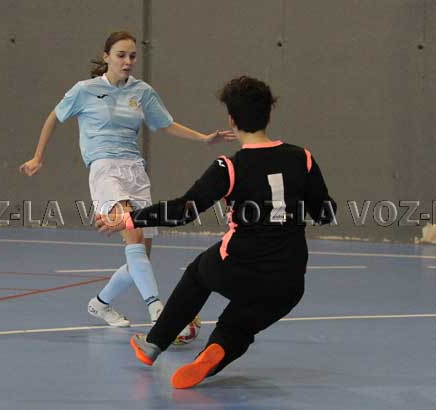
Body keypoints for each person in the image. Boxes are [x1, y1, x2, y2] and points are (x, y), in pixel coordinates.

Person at [97, 75, 336, 388]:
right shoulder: (302, 158)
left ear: (232, 120)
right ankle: (215, 352)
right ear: (268, 114)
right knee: (240, 324)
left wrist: (130, 219)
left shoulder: (229, 167)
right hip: (289, 281)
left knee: (199, 273)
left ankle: (154, 343)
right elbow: (326, 213)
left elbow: (183, 211)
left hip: (239, 267)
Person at [20, 31, 234, 330]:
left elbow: (166, 124)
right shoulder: (85, 90)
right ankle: (159, 311)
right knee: (133, 237)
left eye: (132, 56)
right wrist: (37, 157)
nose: (128, 61)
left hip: (135, 171)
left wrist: (204, 138)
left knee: (141, 255)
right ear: (106, 56)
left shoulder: (142, 92)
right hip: (105, 168)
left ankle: (100, 304)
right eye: (121, 55)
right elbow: (54, 117)